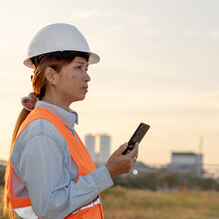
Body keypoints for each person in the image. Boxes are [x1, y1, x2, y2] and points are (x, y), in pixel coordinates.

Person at [2, 23, 139, 219]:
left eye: (86, 68)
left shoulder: (60, 127)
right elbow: (49, 208)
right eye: (78, 67)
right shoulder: (42, 131)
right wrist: (108, 172)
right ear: (51, 75)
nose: (87, 77)